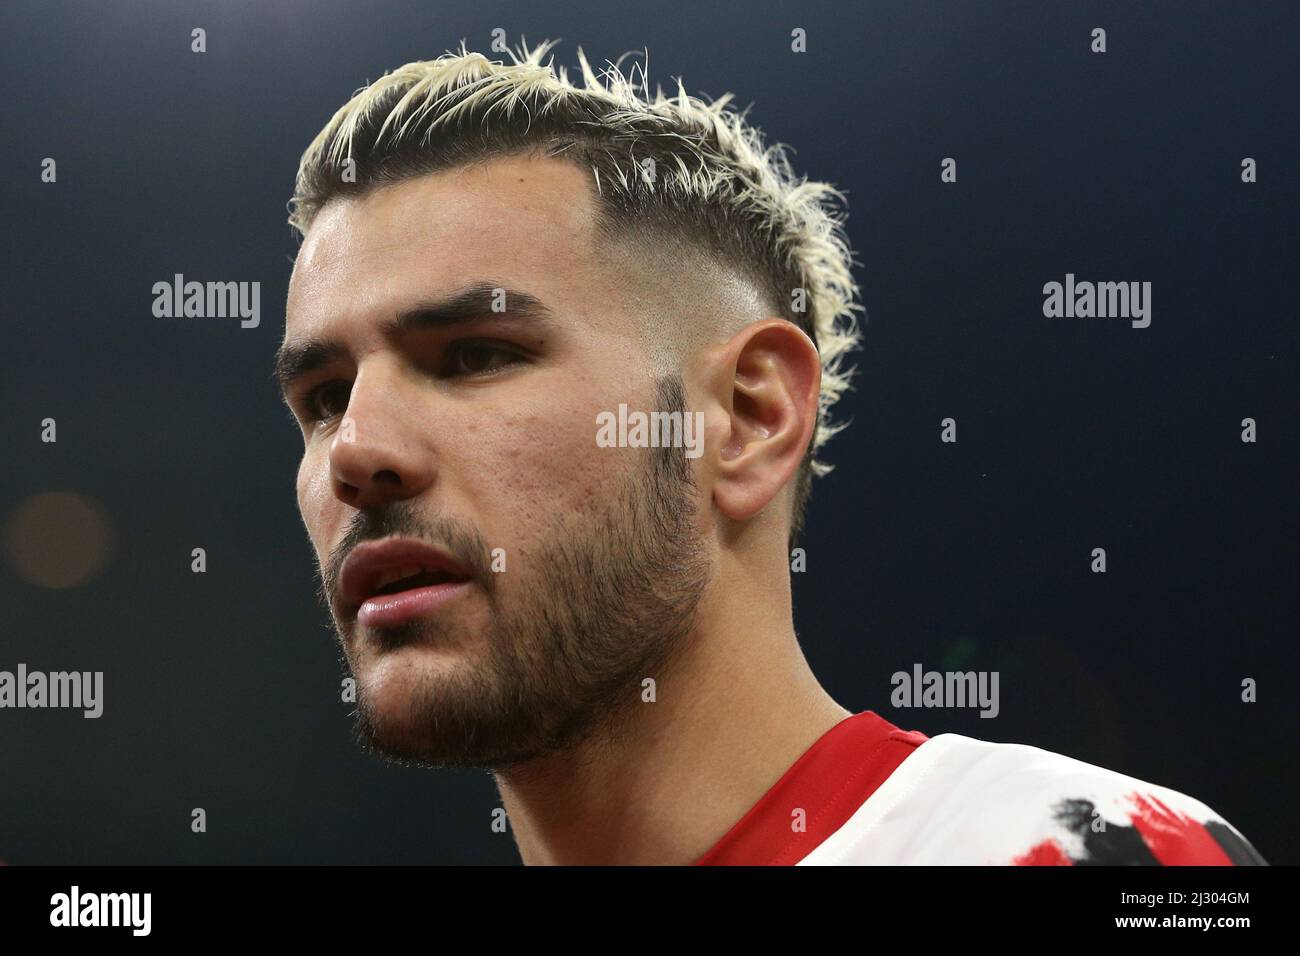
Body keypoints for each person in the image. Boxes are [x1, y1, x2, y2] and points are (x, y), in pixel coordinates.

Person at [274, 40, 1265, 865]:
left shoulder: (1081, 850)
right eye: (322, 398)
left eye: (474, 355)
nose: (357, 449)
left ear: (746, 418)